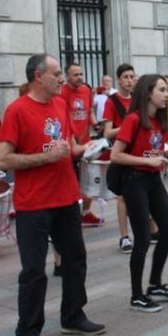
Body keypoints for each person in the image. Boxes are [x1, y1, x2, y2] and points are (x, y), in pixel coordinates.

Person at [0, 54, 103, 336]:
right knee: (33, 270)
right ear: (38, 76)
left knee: (76, 259)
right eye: (56, 74)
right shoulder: (17, 110)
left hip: (66, 196)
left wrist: (91, 148)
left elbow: (67, 146)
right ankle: (29, 329)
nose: (61, 79)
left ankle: (73, 316)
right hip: (34, 203)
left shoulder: (59, 104)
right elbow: (3, 159)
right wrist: (44, 157)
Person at [110, 74, 168, 313]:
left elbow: (154, 150)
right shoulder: (133, 120)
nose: (167, 94)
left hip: (153, 180)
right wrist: (147, 161)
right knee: (142, 238)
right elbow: (116, 155)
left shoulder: (161, 120)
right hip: (134, 181)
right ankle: (136, 296)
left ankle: (154, 284)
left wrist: (167, 152)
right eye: (162, 89)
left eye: (167, 90)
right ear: (148, 93)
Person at [102, 63, 144, 254]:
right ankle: (124, 236)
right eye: (126, 77)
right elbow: (108, 132)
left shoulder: (138, 100)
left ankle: (146, 230)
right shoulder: (112, 101)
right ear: (119, 79)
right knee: (123, 197)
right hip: (121, 152)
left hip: (139, 151)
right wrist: (128, 125)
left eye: (132, 77)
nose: (129, 80)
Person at [60, 63, 103, 227]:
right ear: (67, 76)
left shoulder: (86, 90)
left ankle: (86, 212)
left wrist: (96, 125)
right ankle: (69, 215)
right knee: (71, 181)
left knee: (90, 178)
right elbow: (62, 116)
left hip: (86, 141)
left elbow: (89, 111)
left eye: (81, 73)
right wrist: (71, 137)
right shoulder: (62, 92)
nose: (80, 77)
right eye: (75, 74)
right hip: (70, 142)